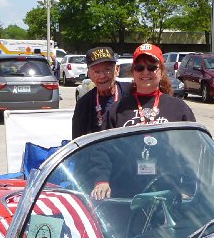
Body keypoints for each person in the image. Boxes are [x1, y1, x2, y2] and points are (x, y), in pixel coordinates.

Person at [91, 43, 196, 200]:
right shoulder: (117, 109)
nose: (145, 72)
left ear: (161, 71)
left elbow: (193, 152)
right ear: (133, 72)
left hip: (169, 194)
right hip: (125, 196)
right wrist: (101, 181)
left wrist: (187, 189)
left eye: (152, 67)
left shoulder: (179, 108)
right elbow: (101, 151)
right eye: (139, 68)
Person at [71, 46, 130, 139]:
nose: (102, 76)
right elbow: (78, 143)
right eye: (96, 72)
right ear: (89, 74)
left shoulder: (131, 93)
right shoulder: (83, 105)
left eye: (107, 69)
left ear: (117, 70)